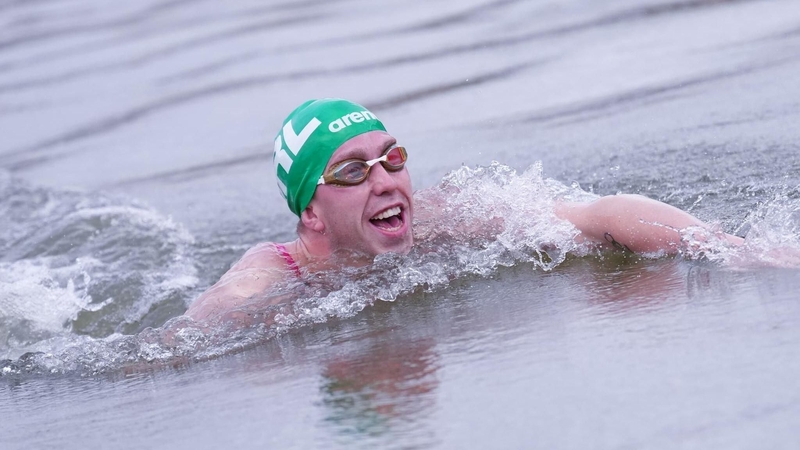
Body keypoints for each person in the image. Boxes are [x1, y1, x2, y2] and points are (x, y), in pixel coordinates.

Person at [185, 98, 744, 322]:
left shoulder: (447, 216)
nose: (384, 180)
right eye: (354, 172)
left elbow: (603, 214)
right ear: (309, 212)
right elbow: (170, 352)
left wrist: (735, 252)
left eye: (392, 158)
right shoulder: (266, 280)